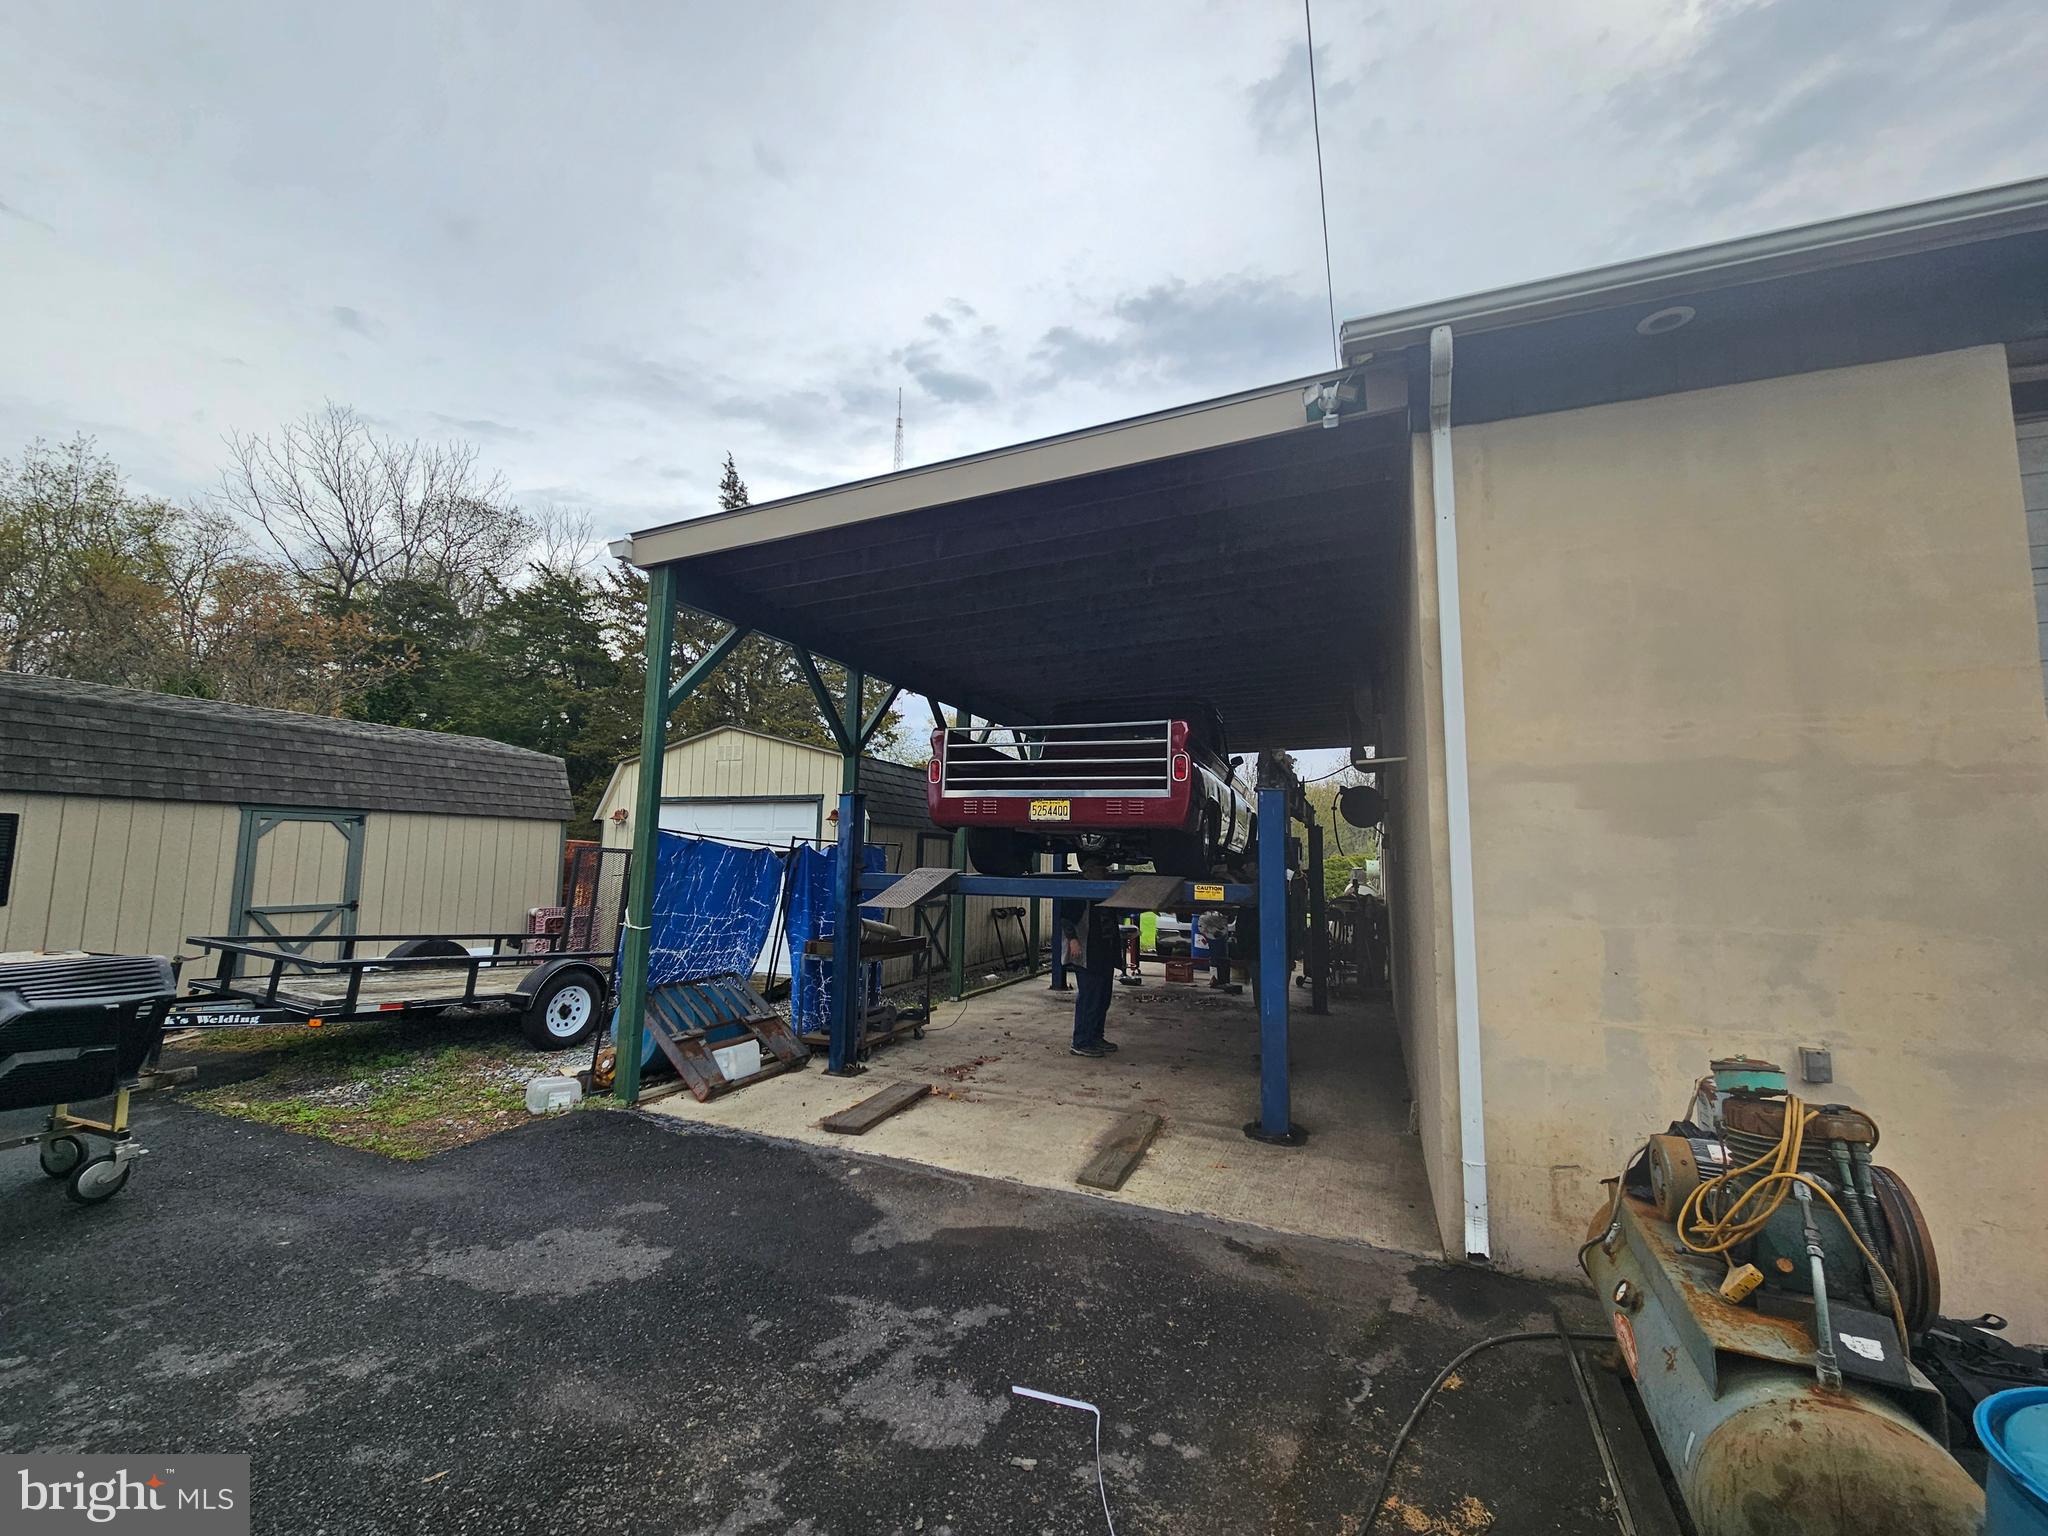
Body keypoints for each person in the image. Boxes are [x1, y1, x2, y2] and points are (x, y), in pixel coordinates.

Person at [1056, 879, 1122, 1058]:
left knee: (1102, 998)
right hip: (1087, 953)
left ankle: (1095, 1037)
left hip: (1104, 952)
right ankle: (1081, 1042)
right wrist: (1072, 940)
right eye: (1101, 870)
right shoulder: (1080, 893)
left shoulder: (1108, 892)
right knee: (1089, 998)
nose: (1106, 873)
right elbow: (1065, 918)